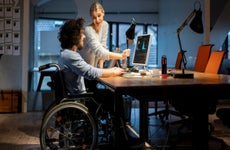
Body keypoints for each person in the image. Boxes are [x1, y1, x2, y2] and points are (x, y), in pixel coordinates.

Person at [57, 18, 144, 149]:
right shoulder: (71, 56)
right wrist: (113, 71)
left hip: (77, 96)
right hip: (81, 100)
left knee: (107, 93)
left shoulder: (66, 54)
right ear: (75, 37)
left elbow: (88, 70)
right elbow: (90, 72)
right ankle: (121, 138)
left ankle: (119, 134)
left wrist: (107, 70)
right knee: (114, 96)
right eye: (82, 33)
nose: (84, 36)